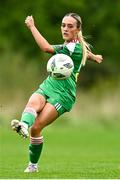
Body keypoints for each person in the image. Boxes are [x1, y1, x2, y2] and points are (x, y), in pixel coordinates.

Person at [11, 13, 103, 173]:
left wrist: (32, 26)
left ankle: (32, 165)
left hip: (64, 95)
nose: (65, 28)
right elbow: (82, 52)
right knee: (33, 102)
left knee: (37, 127)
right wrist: (93, 56)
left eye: (70, 26)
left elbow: (46, 48)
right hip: (50, 85)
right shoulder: (75, 45)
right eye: (63, 25)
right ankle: (23, 125)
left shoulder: (72, 47)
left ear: (78, 29)